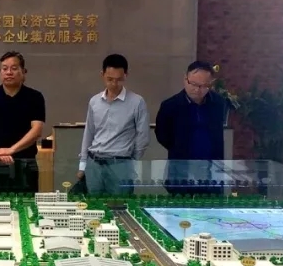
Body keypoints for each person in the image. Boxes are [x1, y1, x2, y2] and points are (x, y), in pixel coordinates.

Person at [76, 54, 150, 195]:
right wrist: (83, 164)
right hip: (94, 162)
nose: (114, 84)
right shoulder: (94, 101)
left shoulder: (136, 102)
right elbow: (89, 133)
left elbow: (143, 136)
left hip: (121, 163)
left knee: (119, 205)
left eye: (119, 79)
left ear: (126, 76)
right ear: (102, 75)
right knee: (94, 205)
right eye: (110, 79)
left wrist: (131, 162)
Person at [0, 51, 46, 194]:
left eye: (14, 68)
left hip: (25, 163)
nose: (9, 72)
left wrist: (11, 150)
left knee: (26, 204)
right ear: (0, 72)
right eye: (4, 68)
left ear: (23, 72)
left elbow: (36, 130)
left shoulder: (35, 97)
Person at [155, 61, 227, 193]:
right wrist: (179, 147)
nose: (197, 90)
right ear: (185, 79)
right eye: (193, 84)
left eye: (203, 86)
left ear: (210, 84)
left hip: (211, 171)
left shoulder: (218, 103)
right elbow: (162, 135)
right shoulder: (170, 106)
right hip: (181, 170)